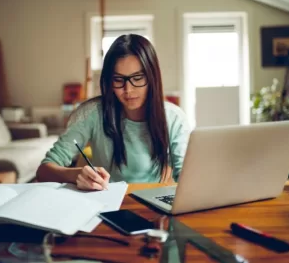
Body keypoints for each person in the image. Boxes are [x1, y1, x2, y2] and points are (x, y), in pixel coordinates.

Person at [36, 34, 191, 190]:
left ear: (152, 77)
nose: (128, 90)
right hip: (107, 204)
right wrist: (75, 175)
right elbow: (43, 171)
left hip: (152, 206)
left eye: (137, 77)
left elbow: (187, 177)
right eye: (118, 79)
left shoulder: (174, 117)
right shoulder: (91, 113)